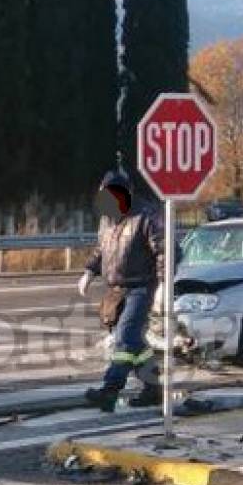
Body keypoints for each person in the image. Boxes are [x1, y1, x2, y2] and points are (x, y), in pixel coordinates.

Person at [78, 170, 166, 413]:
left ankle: (110, 389)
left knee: (125, 337)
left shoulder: (146, 215)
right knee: (135, 342)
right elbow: (102, 248)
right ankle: (153, 388)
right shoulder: (108, 218)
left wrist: (163, 285)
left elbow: (165, 251)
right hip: (116, 288)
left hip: (141, 286)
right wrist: (89, 271)